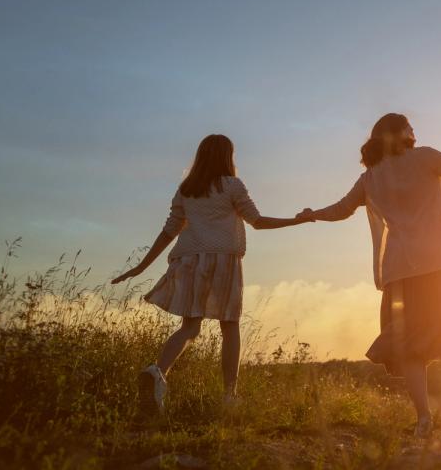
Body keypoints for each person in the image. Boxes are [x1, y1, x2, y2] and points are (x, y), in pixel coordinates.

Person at [296, 114, 441, 438]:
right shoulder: (425, 157)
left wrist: (313, 215)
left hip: (401, 270)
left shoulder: (371, 177)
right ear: (401, 133)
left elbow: (341, 209)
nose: (415, 131)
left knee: (409, 345)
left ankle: (424, 419)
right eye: (410, 127)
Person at [111, 134, 312, 415]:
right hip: (223, 261)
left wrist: (142, 266)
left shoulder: (187, 189)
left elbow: (170, 230)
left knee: (189, 328)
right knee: (229, 327)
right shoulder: (232, 186)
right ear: (228, 157)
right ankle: (229, 395)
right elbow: (259, 222)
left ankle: (157, 372)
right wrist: (298, 221)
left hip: (189, 260)